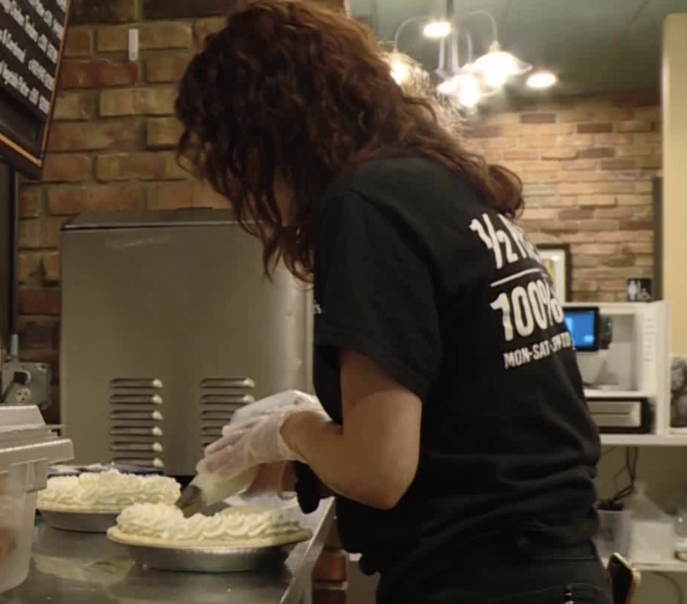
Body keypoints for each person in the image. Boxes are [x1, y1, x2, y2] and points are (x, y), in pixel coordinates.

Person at [176, 2, 610, 603]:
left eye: (234, 159)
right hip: (548, 568)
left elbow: (378, 473)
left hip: (486, 582)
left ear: (266, 132)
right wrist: (306, 446)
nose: (241, 192)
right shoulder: (438, 185)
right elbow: (460, 417)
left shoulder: (365, 204)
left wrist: (290, 429)